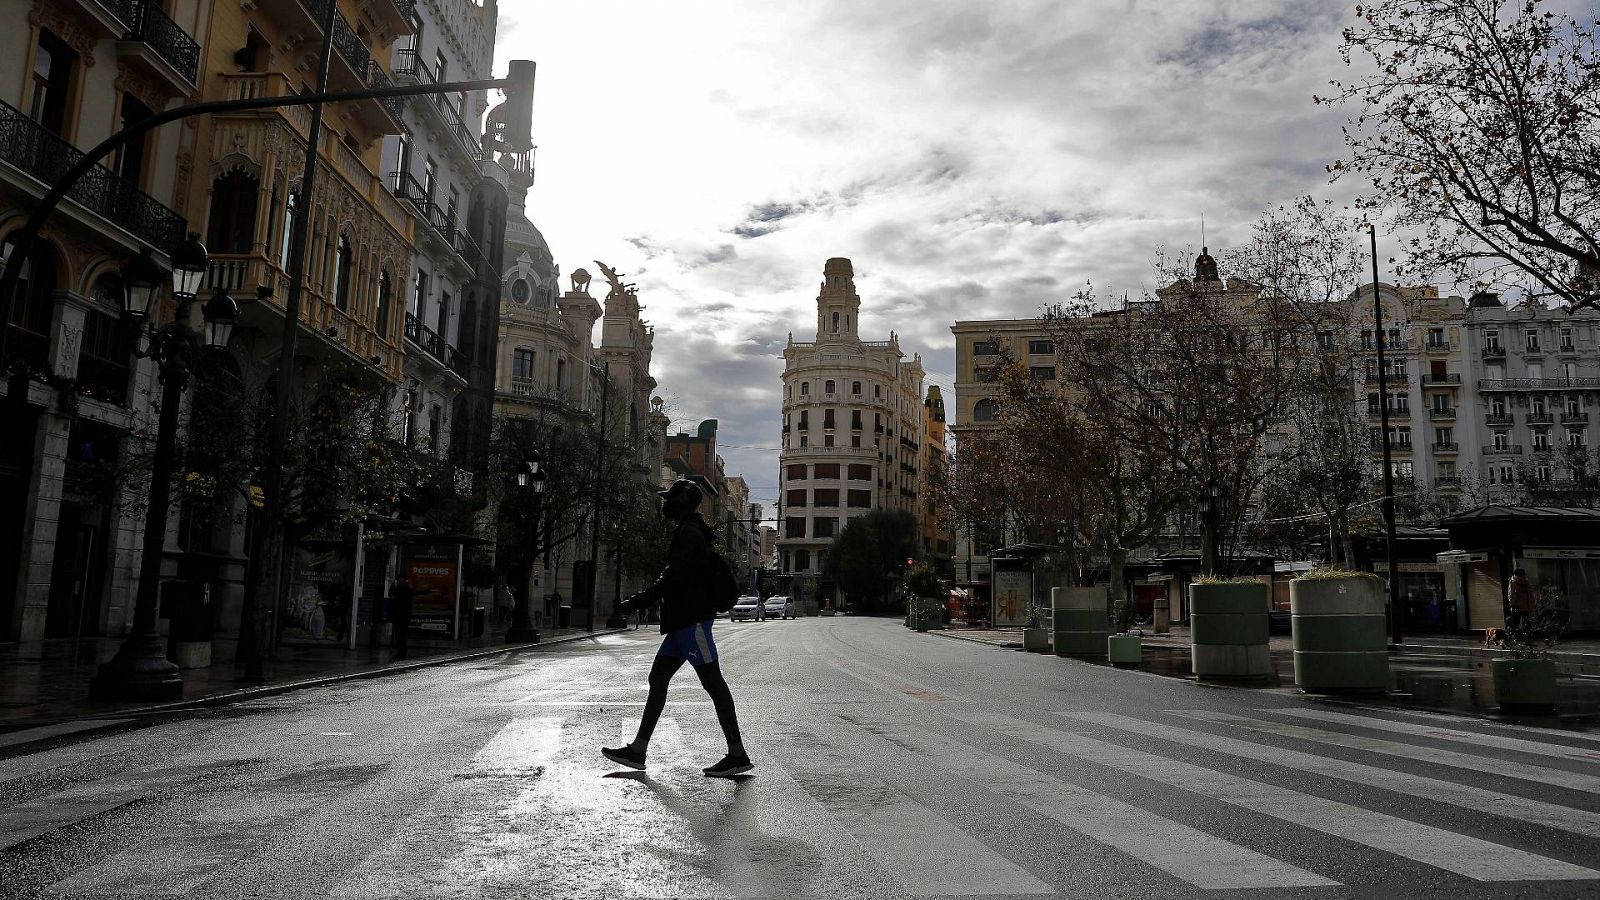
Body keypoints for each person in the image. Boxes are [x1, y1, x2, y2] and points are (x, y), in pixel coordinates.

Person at [603, 479, 752, 778]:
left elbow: (673, 578)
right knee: (658, 678)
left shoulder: (688, 535)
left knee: (714, 684)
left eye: (669, 499)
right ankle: (639, 749)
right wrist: (643, 600)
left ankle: (737, 754)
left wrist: (638, 601)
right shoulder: (690, 532)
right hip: (681, 625)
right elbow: (672, 576)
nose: (664, 504)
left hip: (691, 624)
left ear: (681, 503)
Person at [389, 576, 414, 660]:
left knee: (401, 635)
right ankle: (400, 652)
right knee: (399, 635)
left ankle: (402, 653)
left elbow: (393, 596)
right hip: (399, 615)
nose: (399, 581)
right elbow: (391, 595)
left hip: (402, 616)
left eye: (400, 580)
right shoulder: (401, 588)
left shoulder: (406, 589)